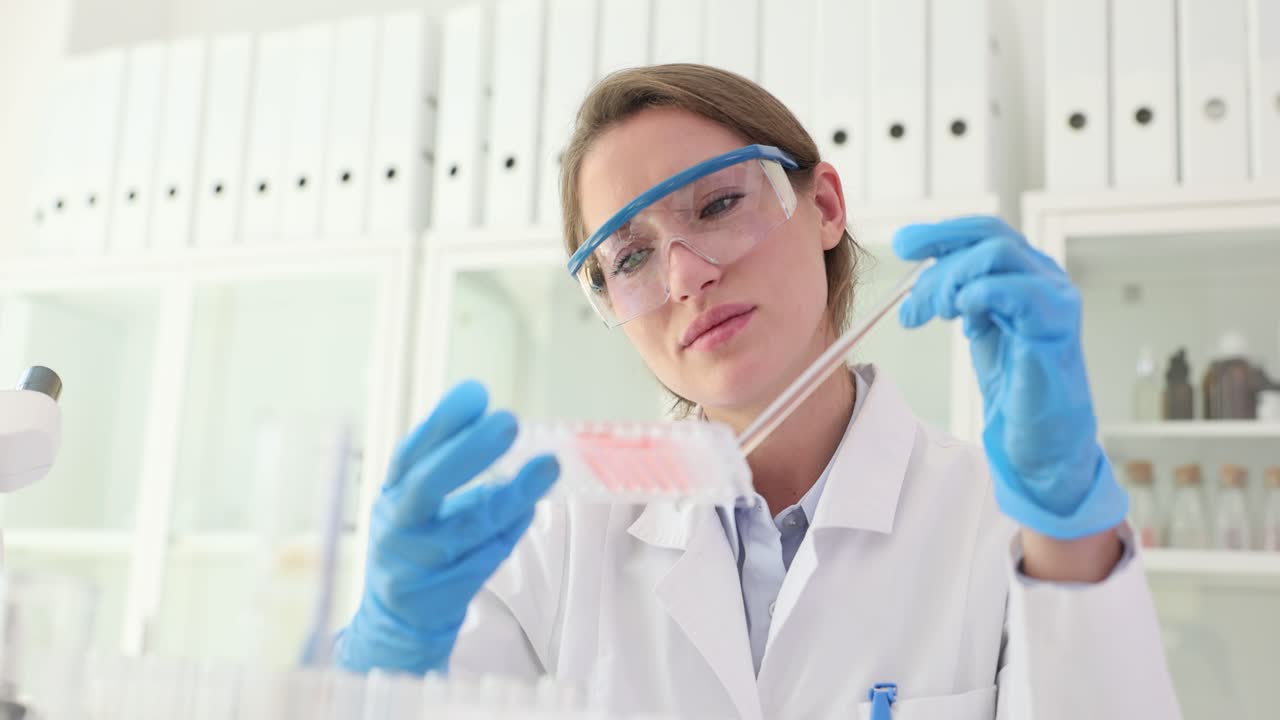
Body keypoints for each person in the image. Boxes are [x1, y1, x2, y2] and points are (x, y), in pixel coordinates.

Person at [337, 65, 1180, 719]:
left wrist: (1069, 516)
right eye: (629, 258)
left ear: (824, 207)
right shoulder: (556, 543)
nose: (686, 275)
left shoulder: (993, 521)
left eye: (719, 204)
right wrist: (387, 656)